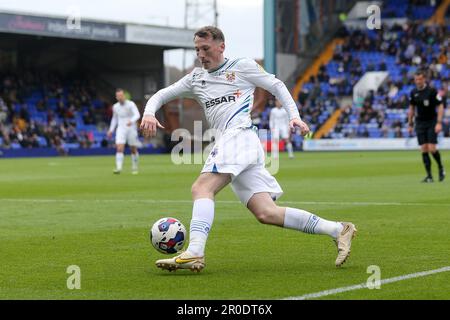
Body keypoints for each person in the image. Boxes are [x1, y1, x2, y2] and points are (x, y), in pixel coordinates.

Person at [140, 26, 357, 272]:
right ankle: (339, 229)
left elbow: (277, 86)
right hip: (236, 143)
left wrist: (294, 116)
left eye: (206, 49)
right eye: (197, 49)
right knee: (266, 213)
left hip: (240, 136)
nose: (201, 54)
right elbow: (160, 95)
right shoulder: (195, 78)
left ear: (221, 46)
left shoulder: (241, 66)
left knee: (202, 187)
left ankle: (195, 252)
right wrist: (148, 112)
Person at [408, 70, 445, 182]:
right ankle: (429, 176)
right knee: (424, 149)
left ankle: (440, 168)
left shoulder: (432, 91)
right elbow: (412, 108)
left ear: (424, 79)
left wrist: (439, 122)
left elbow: (440, 106)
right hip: (420, 122)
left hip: (432, 121)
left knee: (432, 148)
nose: (418, 82)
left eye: (420, 79)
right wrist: (410, 123)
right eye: (416, 80)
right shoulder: (413, 92)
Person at [107, 88, 141, 174]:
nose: (120, 97)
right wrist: (111, 130)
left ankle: (135, 166)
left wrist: (132, 121)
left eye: (121, 95)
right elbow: (114, 119)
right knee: (119, 148)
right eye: (118, 96)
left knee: (133, 148)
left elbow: (137, 114)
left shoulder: (131, 104)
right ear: (116, 97)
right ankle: (118, 168)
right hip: (121, 129)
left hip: (131, 128)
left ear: (124, 96)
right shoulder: (115, 107)